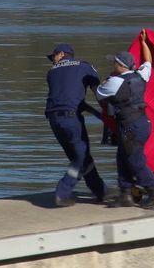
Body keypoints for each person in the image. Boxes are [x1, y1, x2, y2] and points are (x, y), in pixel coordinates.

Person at [96, 29, 154, 209]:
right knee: (122, 157)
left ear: (120, 65)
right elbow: (148, 61)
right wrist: (144, 43)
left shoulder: (115, 82)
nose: (113, 66)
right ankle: (125, 194)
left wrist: (105, 81)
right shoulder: (141, 75)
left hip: (129, 127)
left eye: (114, 63)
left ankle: (153, 194)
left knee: (135, 160)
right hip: (143, 123)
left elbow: (99, 94)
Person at [45, 43, 107, 207]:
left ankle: (100, 190)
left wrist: (93, 112)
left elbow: (66, 98)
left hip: (54, 120)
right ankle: (62, 192)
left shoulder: (51, 72)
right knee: (80, 157)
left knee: (80, 157)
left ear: (61, 54)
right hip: (71, 120)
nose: (53, 61)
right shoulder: (84, 67)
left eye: (53, 57)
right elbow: (100, 93)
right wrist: (108, 114)